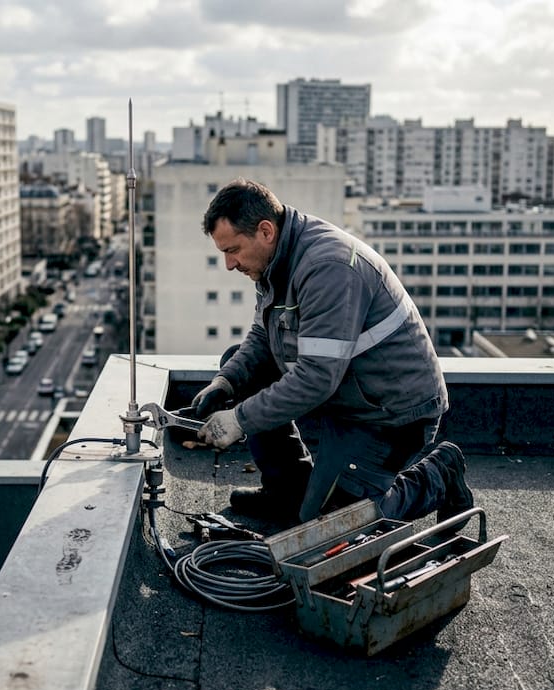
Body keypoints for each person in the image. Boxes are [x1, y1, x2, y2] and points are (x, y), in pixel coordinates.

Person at [192, 178, 473, 526]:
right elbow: (263, 337)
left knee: (331, 530)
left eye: (232, 250)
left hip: (392, 415)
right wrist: (226, 382)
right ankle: (287, 492)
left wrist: (239, 419)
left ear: (265, 231)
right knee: (241, 365)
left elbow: (316, 379)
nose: (229, 264)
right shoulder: (275, 260)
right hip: (349, 396)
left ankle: (438, 475)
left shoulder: (329, 267)